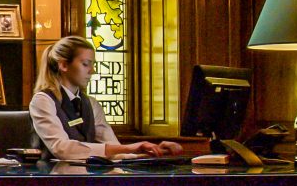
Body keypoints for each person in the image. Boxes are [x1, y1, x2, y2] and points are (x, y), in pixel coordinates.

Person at [29, 35, 186, 162]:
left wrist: (156, 152)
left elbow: (115, 151)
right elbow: (62, 148)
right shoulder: (43, 100)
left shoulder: (91, 104)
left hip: (86, 179)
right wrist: (132, 147)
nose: (92, 71)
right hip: (52, 182)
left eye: (93, 64)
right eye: (85, 64)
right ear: (63, 65)